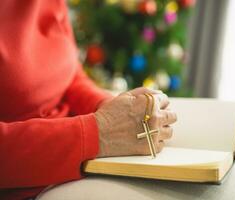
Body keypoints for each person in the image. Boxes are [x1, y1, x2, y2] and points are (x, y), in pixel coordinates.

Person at [0, 1, 177, 199]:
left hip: (80, 157)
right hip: (27, 181)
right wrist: (97, 134)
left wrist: (109, 107)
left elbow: (69, 76)